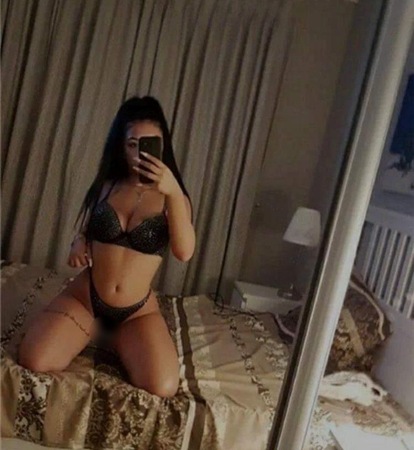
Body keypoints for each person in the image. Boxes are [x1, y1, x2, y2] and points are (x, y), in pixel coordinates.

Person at [17, 96, 196, 398]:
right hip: (86, 298)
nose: (140, 153)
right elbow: (89, 229)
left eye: (149, 144)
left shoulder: (173, 198)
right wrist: (79, 241)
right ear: (121, 146)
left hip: (135, 312)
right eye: (132, 144)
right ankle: (89, 329)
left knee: (162, 387)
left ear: (163, 145)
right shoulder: (108, 184)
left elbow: (184, 251)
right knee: (34, 359)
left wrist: (175, 193)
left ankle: (115, 337)